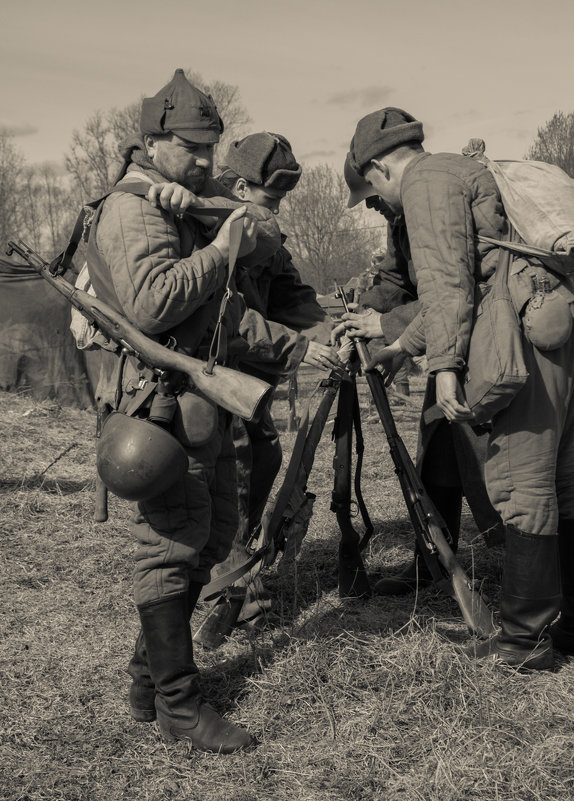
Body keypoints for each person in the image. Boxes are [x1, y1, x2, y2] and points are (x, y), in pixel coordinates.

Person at [89, 69, 288, 752]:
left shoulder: (188, 197)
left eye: (212, 147)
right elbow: (151, 304)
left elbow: (266, 233)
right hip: (159, 405)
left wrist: (206, 208)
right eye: (191, 148)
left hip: (204, 397)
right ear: (153, 140)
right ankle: (178, 703)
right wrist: (217, 247)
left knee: (212, 533)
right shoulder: (134, 209)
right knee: (172, 543)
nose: (205, 160)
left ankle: (148, 680)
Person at [344, 106, 574, 670]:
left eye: (371, 188)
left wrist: (443, 365)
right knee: (562, 483)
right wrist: (401, 346)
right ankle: (565, 628)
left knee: (522, 486)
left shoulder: (424, 182)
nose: (379, 203)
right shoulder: (462, 170)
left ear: (377, 167)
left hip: (515, 339)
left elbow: (448, 286)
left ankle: (525, 640)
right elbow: (475, 279)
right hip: (551, 332)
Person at [334, 152, 504, 596]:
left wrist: (386, 328)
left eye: (371, 194)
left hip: (487, 339)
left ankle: (528, 575)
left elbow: (457, 287)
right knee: (437, 453)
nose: (370, 206)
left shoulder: (432, 199)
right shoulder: (401, 217)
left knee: (501, 466)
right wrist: (367, 309)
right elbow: (397, 281)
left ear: (384, 170)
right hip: (447, 341)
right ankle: (431, 563)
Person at [202, 132, 338, 628]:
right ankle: (236, 589)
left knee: (264, 456)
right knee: (232, 471)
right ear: (240, 187)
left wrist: (329, 331)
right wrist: (302, 347)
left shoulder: (262, 231)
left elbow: (290, 292)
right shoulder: (209, 230)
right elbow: (226, 318)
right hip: (208, 374)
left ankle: (233, 567)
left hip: (247, 378)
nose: (278, 208)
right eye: (271, 197)